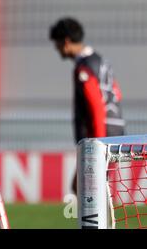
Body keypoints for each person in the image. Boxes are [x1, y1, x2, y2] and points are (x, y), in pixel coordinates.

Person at [49, 17, 125, 193]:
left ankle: (99, 222)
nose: (57, 48)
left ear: (66, 42)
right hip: (117, 130)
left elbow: (97, 108)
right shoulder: (101, 60)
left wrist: (98, 144)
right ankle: (103, 221)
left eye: (58, 44)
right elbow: (116, 93)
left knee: (84, 187)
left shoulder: (83, 68)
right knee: (92, 188)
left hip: (101, 134)